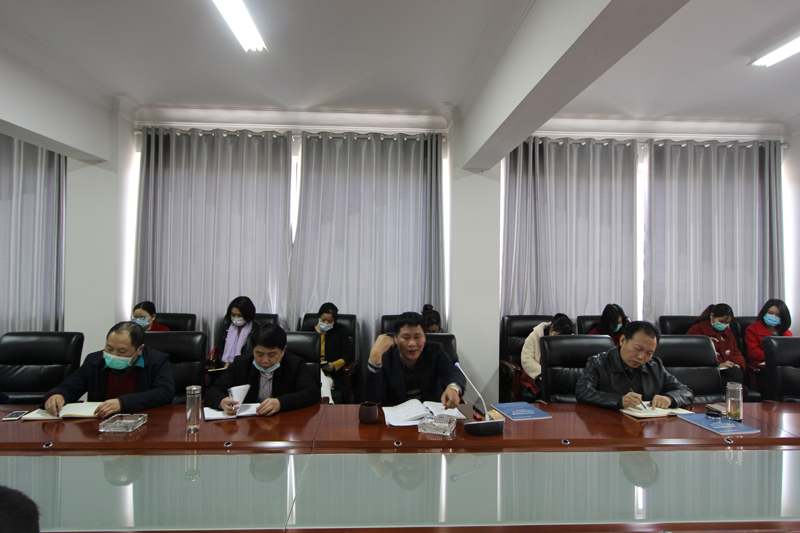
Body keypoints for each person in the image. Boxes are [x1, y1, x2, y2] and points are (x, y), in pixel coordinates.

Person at [43, 322, 175, 418]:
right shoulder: (94, 361)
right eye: (109, 348)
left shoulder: (156, 361)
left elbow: (165, 392)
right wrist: (58, 395)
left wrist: (122, 403)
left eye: (121, 351)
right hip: (100, 424)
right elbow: (71, 385)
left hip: (142, 422)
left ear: (139, 349)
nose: (113, 355)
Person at [204, 323, 320, 416]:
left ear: (283, 350)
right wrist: (221, 401)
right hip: (247, 426)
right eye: (259, 354)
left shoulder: (295, 364)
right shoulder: (241, 364)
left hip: (282, 424)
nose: (265, 360)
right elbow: (213, 390)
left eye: (272, 355)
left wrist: (281, 402)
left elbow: (312, 393)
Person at [576, 321, 693, 410]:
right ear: (622, 340)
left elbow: (686, 391)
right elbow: (583, 391)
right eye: (637, 349)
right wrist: (619, 400)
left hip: (646, 427)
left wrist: (670, 398)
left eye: (649, 353)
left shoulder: (654, 366)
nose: (641, 357)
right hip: (608, 425)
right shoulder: (599, 362)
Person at [365, 311, 466, 407]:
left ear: (425, 337)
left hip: (431, 415)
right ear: (396, 338)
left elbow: (453, 372)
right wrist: (375, 358)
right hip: (398, 416)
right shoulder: (386, 357)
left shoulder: (435, 351)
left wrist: (453, 389)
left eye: (417, 337)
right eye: (406, 337)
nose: (412, 343)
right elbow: (373, 398)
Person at [686, 303, 746, 388]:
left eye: (727, 323)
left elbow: (736, 352)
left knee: (737, 377)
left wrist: (736, 364)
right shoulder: (697, 330)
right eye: (721, 321)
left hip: (727, 371)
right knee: (734, 388)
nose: (724, 325)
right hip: (707, 372)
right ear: (712, 316)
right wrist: (718, 365)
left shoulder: (728, 333)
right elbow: (692, 355)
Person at [519, 314, 574, 395]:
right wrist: (544, 373)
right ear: (551, 328)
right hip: (536, 373)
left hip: (558, 374)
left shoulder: (570, 336)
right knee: (549, 387)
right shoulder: (534, 336)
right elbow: (526, 360)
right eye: (558, 337)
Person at [311, 302, 354, 404]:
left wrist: (334, 365)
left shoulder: (340, 331)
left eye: (329, 321)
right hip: (312, 372)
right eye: (323, 320)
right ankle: (329, 404)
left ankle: (327, 404)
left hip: (332, 374)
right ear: (318, 317)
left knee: (324, 384)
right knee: (320, 377)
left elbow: (348, 354)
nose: (326, 323)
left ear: (334, 321)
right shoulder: (309, 331)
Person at [745, 299, 793, 364]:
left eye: (778, 315)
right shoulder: (752, 329)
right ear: (764, 312)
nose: (773, 317)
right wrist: (778, 355)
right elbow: (754, 353)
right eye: (770, 313)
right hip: (764, 364)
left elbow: (792, 351)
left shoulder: (786, 332)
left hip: (785, 363)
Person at [215, 296, 259, 368]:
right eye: (233, 315)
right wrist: (224, 365)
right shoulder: (226, 329)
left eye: (239, 315)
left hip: (247, 368)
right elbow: (220, 352)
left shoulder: (257, 330)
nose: (236, 318)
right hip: (226, 368)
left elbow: (257, 355)